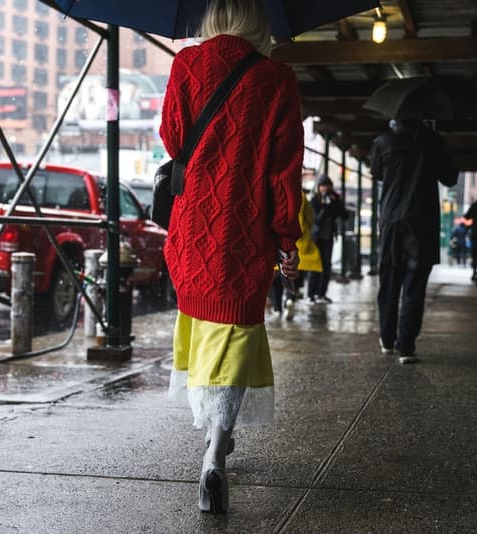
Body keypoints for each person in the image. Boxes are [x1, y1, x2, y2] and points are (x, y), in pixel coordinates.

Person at [159, 0, 303, 515]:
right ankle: (215, 455)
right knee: (235, 335)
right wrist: (287, 239)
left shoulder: (186, 64)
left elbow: (174, 140)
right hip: (244, 234)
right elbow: (284, 173)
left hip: (192, 229)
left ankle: (212, 442)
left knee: (203, 330)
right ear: (258, 20)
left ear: (212, 16)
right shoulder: (277, 79)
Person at [369, 119, 458, 364]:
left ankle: (387, 339)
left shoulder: (382, 142)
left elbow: (376, 173)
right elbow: (450, 178)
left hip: (391, 220)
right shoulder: (433, 141)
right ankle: (406, 346)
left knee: (389, 281)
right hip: (422, 222)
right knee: (415, 285)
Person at [269, 191, 322, 320]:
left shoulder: (272, 192)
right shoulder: (301, 196)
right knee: (292, 274)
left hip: (276, 241)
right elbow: (310, 218)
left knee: (275, 276)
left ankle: (276, 308)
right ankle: (289, 298)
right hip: (299, 243)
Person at [307, 174, 347, 304]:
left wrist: (336, 202)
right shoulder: (315, 200)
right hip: (316, 238)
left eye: (327, 186)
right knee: (315, 266)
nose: (325, 189)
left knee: (326, 267)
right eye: (323, 186)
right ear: (318, 187)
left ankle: (321, 294)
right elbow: (317, 220)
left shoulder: (334, 200)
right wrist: (325, 206)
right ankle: (311, 295)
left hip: (328, 237)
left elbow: (345, 215)